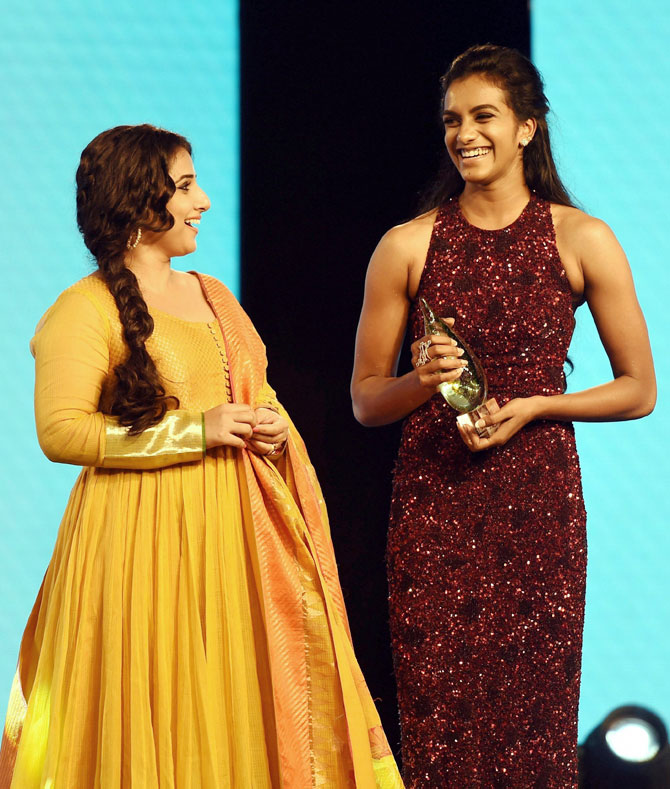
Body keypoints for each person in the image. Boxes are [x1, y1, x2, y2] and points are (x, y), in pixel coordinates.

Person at [0, 125, 403, 788]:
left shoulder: (215, 295)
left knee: (231, 703)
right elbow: (61, 432)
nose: (205, 201)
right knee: (151, 705)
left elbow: (258, 395)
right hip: (132, 543)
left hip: (231, 541)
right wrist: (197, 430)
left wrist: (269, 427)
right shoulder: (83, 308)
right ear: (138, 199)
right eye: (186, 186)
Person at [351, 44, 656, 788]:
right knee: (439, 726)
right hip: (433, 509)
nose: (465, 134)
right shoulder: (406, 244)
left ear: (527, 127)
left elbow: (639, 388)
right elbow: (365, 399)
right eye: (452, 120)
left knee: (536, 729)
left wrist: (538, 407)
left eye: (484, 116)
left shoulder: (582, 238)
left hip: (539, 507)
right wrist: (421, 380)